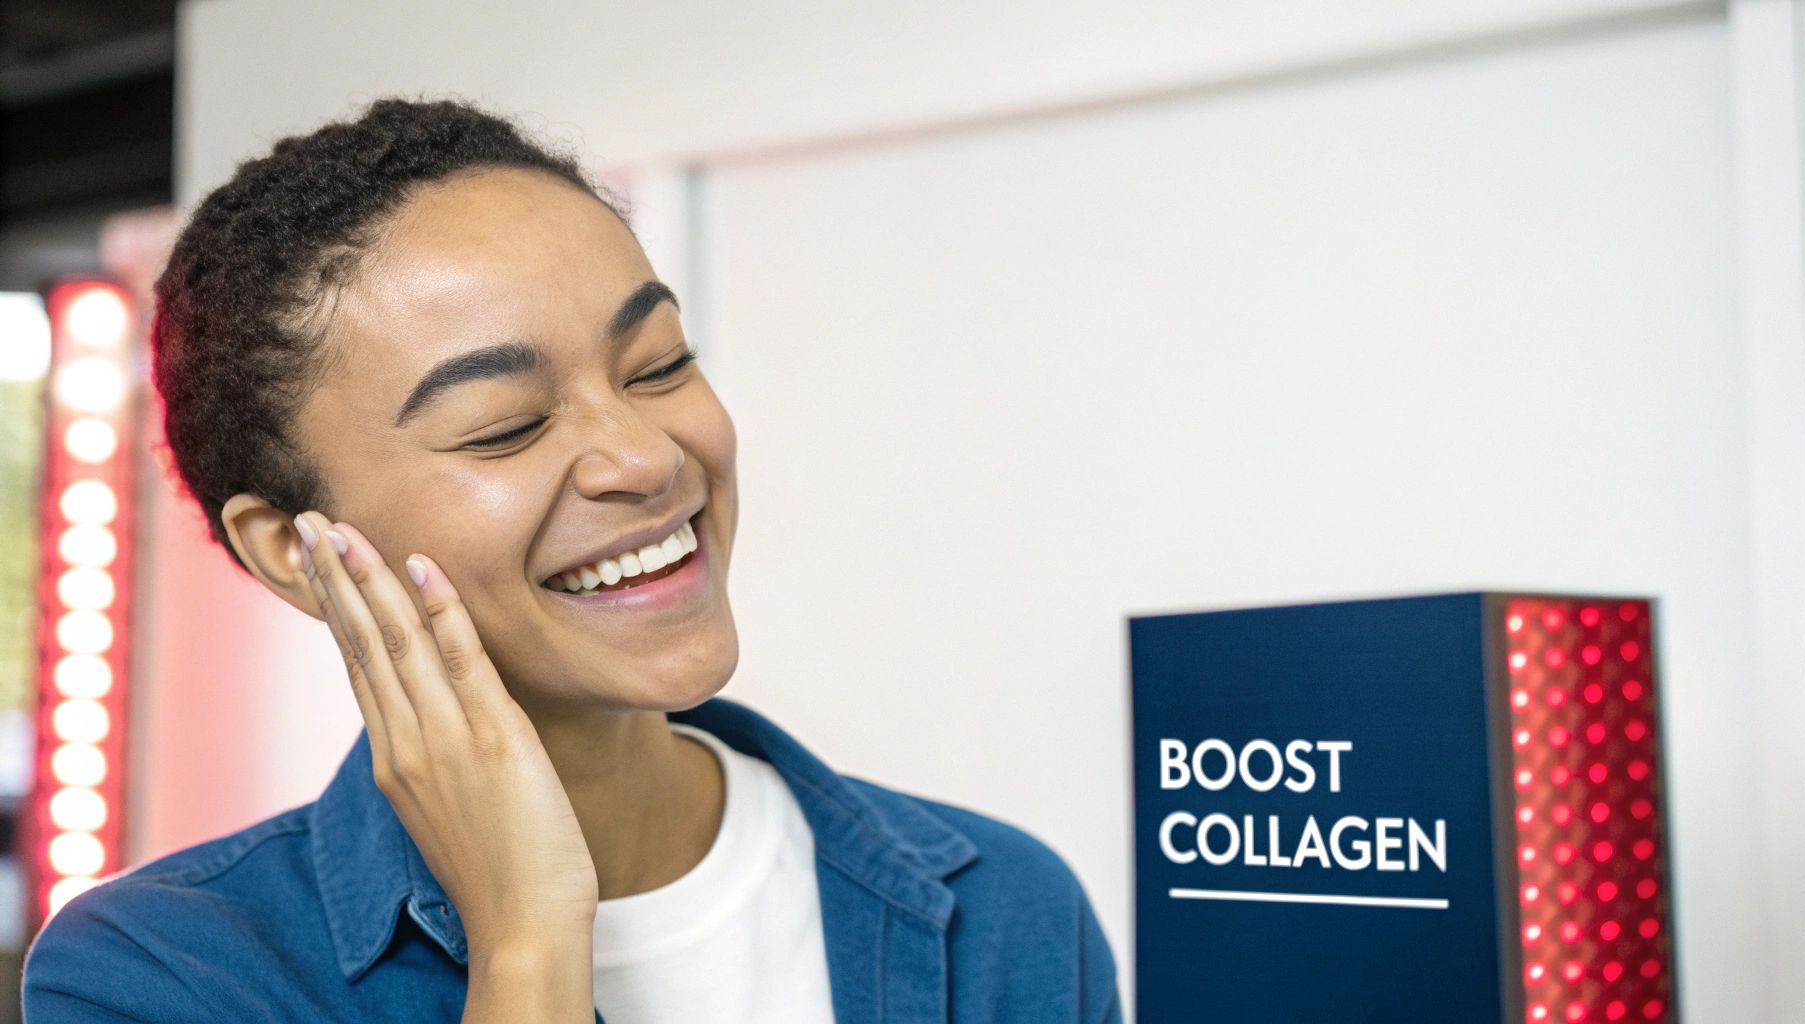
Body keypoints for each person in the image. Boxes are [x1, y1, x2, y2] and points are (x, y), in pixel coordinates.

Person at [20, 96, 1123, 1023]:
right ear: (295, 552)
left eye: (657, 364)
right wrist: (526, 946)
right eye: (504, 424)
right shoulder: (163, 975)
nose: (644, 458)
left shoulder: (1000, 915)